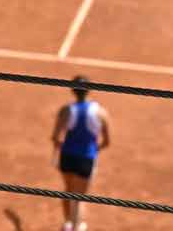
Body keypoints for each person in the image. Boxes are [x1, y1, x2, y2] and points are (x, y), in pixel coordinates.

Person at [51, 76, 111, 231]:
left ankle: (68, 224)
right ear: (89, 90)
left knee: (68, 191)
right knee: (79, 198)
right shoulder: (101, 112)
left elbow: (56, 137)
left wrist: (58, 150)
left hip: (67, 156)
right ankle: (77, 227)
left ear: (72, 90)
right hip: (86, 158)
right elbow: (106, 142)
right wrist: (94, 150)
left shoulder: (65, 110)